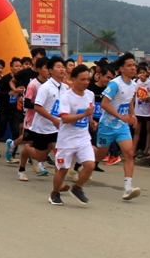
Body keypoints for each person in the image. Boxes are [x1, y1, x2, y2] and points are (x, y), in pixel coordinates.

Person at [94, 53, 142, 201]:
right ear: (121, 68)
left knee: (128, 153)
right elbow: (104, 104)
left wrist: (132, 114)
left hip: (122, 126)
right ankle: (82, 160)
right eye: (129, 65)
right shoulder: (115, 84)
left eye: (134, 65)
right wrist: (122, 117)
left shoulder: (134, 85)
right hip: (106, 126)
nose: (133, 68)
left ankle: (128, 187)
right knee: (100, 155)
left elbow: (129, 101)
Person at [50, 64, 97, 205]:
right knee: (63, 170)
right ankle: (55, 193)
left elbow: (89, 113)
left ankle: (77, 188)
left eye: (87, 79)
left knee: (90, 165)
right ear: (73, 79)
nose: (86, 83)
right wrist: (84, 114)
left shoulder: (90, 94)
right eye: (82, 79)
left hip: (83, 137)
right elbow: (64, 118)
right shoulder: (66, 97)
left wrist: (91, 121)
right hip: (67, 140)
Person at [28, 56, 68, 187]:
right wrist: (53, 119)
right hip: (42, 127)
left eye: (63, 66)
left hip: (57, 128)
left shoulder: (65, 88)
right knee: (40, 156)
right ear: (50, 70)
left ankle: (59, 183)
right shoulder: (45, 87)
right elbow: (37, 107)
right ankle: (27, 151)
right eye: (58, 66)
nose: (62, 69)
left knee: (59, 153)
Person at [16, 57, 50, 181]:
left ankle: (40, 164)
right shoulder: (33, 84)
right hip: (32, 120)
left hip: (46, 121)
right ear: (39, 69)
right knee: (29, 145)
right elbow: (27, 103)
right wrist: (40, 106)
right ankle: (22, 169)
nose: (49, 71)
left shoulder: (51, 84)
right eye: (47, 68)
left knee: (48, 145)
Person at [133, 65, 150, 158]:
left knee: (149, 129)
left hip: (148, 110)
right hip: (138, 110)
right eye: (140, 73)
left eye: (143, 72)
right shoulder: (135, 83)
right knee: (137, 130)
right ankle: (133, 150)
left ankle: (146, 150)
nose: (142, 74)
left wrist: (148, 97)